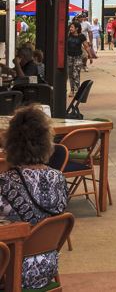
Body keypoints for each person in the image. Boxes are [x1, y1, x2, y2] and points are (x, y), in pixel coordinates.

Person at [0, 106, 68, 289]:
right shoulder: (58, 178)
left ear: (10, 143)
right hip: (47, 266)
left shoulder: (4, 182)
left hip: (10, 270)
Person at [66, 20, 90, 94]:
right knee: (70, 74)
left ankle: (78, 89)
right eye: (70, 27)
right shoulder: (68, 35)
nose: (70, 28)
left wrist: (90, 56)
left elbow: (86, 46)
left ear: (76, 28)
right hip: (69, 56)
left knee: (76, 73)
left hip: (78, 57)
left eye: (72, 27)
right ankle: (72, 90)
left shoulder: (81, 36)